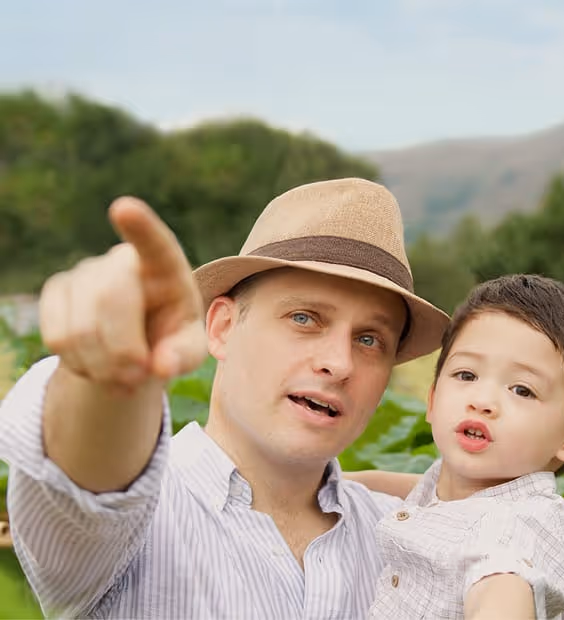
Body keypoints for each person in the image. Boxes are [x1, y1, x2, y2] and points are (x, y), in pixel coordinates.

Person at [0, 177, 449, 618]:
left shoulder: (408, 539)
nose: (340, 363)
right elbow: (86, 482)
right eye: (304, 317)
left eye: (370, 340)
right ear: (221, 327)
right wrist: (106, 383)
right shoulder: (141, 515)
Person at [350, 274, 564, 619]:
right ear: (432, 401)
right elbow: (417, 490)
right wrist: (339, 480)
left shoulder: (521, 529)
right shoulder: (464, 492)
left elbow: (502, 583)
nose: (482, 400)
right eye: (466, 375)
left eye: (522, 390)